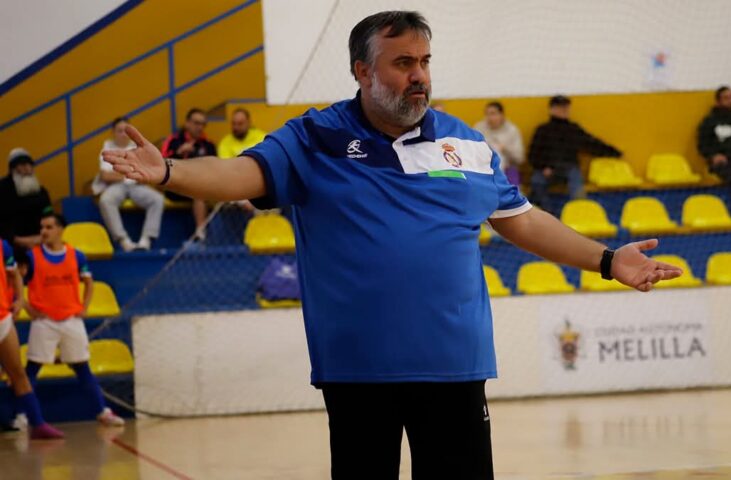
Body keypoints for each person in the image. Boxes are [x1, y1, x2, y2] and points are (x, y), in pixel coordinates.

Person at [104, 11, 681, 479]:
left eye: (425, 61)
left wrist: (607, 260)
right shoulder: (315, 136)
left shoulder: (466, 144)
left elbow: (523, 221)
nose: (419, 76)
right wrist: (169, 173)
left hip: (454, 368)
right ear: (362, 70)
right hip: (359, 373)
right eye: (402, 63)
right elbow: (241, 174)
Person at [23, 213, 124, 428]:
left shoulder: (76, 256)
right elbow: (14, 284)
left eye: (49, 227)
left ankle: (102, 411)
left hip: (71, 319)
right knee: (32, 369)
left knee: (82, 367)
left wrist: (85, 306)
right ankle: (23, 415)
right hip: (44, 320)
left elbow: (88, 282)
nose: (44, 231)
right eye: (42, 227)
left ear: (60, 230)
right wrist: (27, 307)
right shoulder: (32, 257)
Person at [0, 237, 64, 439]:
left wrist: (19, 299)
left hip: (2, 317)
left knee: (18, 373)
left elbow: (14, 274)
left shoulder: (2, 245)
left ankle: (38, 423)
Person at [528, 95, 622, 213]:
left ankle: (579, 213)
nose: (564, 110)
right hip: (548, 168)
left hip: (569, 167)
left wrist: (614, 152)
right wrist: (544, 167)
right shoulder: (542, 130)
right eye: (560, 107)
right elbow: (533, 155)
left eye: (566, 107)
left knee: (577, 184)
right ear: (552, 109)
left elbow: (592, 143)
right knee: (537, 181)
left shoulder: (573, 129)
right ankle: (548, 214)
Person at [93, 118, 165, 251]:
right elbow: (105, 176)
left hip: (136, 186)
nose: (123, 134)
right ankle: (123, 240)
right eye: (119, 131)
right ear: (113, 132)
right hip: (116, 186)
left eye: (125, 131)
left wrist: (120, 174)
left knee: (157, 199)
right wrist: (129, 174)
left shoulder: (136, 147)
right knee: (105, 200)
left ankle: (146, 239)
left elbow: (143, 174)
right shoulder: (107, 147)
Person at [161, 109, 217, 241]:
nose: (200, 127)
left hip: (200, 187)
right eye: (197, 123)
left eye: (203, 124)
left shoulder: (208, 145)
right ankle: (201, 231)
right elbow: (162, 166)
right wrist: (179, 153)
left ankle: (202, 233)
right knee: (198, 190)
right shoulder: (173, 141)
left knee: (200, 190)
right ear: (187, 123)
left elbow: (216, 169)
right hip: (175, 187)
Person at [0, 148, 52, 251]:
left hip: (40, 241)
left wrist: (43, 236)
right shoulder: (3, 190)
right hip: (10, 245)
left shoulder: (41, 192)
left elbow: (49, 215)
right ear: (13, 169)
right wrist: (20, 240)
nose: (27, 169)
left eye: (30, 165)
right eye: (23, 165)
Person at [474, 101, 524, 185]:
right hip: (483, 167)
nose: (489, 117)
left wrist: (505, 149)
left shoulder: (512, 130)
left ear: (501, 115)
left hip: (508, 168)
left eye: (493, 114)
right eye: (487, 114)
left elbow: (520, 158)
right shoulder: (479, 128)